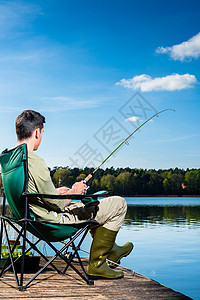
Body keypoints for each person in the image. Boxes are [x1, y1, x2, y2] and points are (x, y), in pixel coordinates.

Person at [15, 110, 133, 279]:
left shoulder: (10, 159)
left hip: (30, 221)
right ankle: (98, 263)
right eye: (42, 133)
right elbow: (57, 205)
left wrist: (56, 192)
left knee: (91, 206)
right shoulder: (35, 161)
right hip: (53, 223)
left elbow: (27, 193)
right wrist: (74, 191)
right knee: (118, 204)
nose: (41, 136)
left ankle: (112, 250)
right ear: (36, 132)